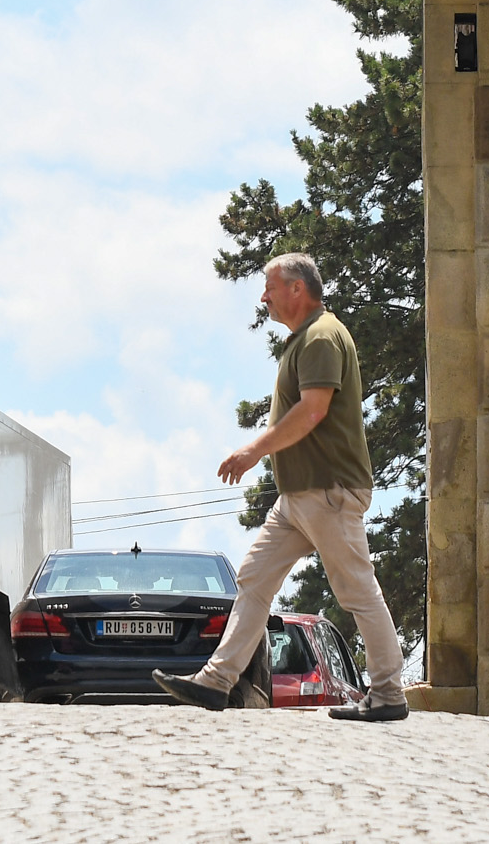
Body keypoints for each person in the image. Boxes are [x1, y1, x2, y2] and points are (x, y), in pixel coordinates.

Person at [154, 253, 407, 721]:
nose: (263, 297)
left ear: (297, 288)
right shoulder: (303, 340)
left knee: (356, 592)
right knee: (254, 579)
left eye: (270, 287)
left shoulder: (321, 337)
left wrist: (253, 452)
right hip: (299, 497)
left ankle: (389, 694)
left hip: (327, 491)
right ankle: (216, 681)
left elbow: (312, 411)